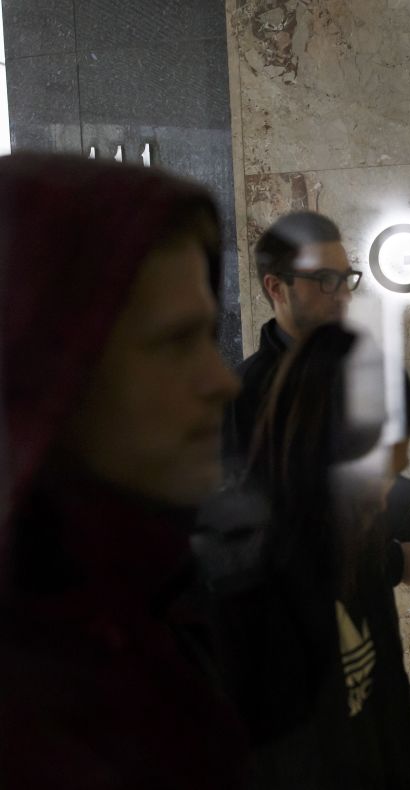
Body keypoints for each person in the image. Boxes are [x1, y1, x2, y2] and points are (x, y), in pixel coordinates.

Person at [0, 153, 247, 788]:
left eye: (208, 337)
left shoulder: (144, 606)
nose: (222, 382)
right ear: (45, 370)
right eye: (173, 342)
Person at [214, 322, 410, 788]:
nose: (385, 498)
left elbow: (393, 718)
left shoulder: (354, 549)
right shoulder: (246, 586)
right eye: (380, 473)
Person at [223, 211, 410, 585]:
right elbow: (260, 542)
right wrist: (390, 563)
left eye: (346, 278)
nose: (344, 295)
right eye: (325, 280)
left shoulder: (357, 375)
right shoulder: (243, 396)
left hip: (365, 627)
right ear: (276, 288)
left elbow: (366, 496)